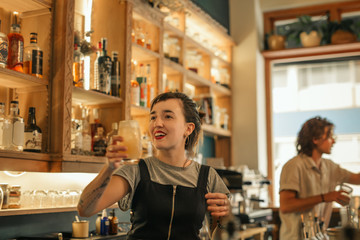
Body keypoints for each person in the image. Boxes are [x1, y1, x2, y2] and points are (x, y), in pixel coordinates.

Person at [77, 92, 230, 240]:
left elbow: (217, 236)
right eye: (153, 117)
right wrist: (108, 168)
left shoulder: (207, 176)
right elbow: (85, 209)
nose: (157, 123)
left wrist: (226, 219)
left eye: (168, 116)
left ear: (188, 129)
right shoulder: (135, 171)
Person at [279, 116, 360, 240]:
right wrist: (325, 197)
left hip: (318, 237)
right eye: (330, 137)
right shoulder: (294, 166)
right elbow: (286, 206)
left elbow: (357, 179)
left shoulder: (329, 167)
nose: (333, 141)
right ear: (315, 139)